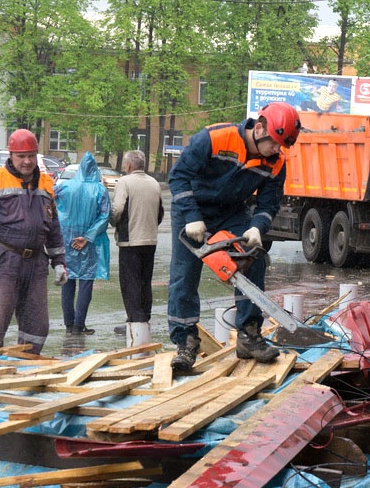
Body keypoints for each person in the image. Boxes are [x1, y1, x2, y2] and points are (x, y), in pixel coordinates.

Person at [167, 101, 302, 371]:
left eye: (282, 146)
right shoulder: (215, 137)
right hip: (192, 208)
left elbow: (269, 203)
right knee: (184, 275)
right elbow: (178, 176)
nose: (277, 150)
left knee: (255, 260)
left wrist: (256, 228)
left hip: (232, 211)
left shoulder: (276, 162)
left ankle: (249, 335)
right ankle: (185, 342)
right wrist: (193, 216)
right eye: (274, 143)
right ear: (260, 128)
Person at [0, 128, 68, 354]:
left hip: (37, 262)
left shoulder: (46, 184)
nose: (27, 161)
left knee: (37, 326)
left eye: (31, 155)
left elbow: (53, 227)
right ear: (11, 155)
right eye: (21, 156)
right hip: (5, 260)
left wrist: (59, 261)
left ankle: (25, 368)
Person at [110, 150, 163, 347]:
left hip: (130, 240)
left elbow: (118, 209)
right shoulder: (154, 183)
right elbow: (160, 212)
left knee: (129, 283)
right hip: (150, 239)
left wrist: (113, 222)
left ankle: (134, 322)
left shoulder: (125, 182)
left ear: (129, 166)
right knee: (144, 281)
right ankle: (144, 319)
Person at [55, 151, 111, 335]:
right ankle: (79, 324)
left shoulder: (65, 187)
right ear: (95, 170)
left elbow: (49, 201)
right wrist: (87, 237)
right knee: (86, 283)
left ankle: (69, 324)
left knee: (68, 281)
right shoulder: (100, 190)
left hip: (68, 240)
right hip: (89, 244)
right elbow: (104, 216)